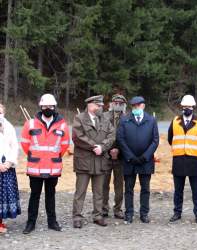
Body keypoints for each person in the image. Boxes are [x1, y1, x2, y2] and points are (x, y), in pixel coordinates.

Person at [21, 94, 70, 234]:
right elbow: (25, 144)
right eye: (45, 106)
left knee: (51, 195)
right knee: (34, 195)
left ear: (54, 107)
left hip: (53, 168)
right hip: (35, 168)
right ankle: (30, 223)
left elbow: (64, 145)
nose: (47, 108)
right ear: (41, 107)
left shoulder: (62, 124)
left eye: (50, 106)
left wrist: (52, 157)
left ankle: (52, 222)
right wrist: (37, 156)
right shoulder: (30, 123)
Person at [72, 95, 115, 228]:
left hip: (100, 160)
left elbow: (112, 135)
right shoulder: (79, 118)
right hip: (84, 161)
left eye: (101, 106)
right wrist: (93, 146)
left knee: (99, 191)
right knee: (80, 192)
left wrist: (102, 147)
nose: (100, 108)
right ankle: (77, 217)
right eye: (98, 105)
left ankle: (98, 215)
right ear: (90, 105)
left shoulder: (105, 119)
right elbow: (77, 137)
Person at [117, 96, 159, 224]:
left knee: (145, 188)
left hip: (145, 161)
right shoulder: (125, 120)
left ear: (143, 106)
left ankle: (144, 213)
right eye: (133, 106)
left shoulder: (151, 120)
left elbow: (155, 140)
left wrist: (145, 156)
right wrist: (129, 156)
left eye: (138, 106)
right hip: (129, 161)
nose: (136, 108)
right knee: (128, 189)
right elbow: (121, 139)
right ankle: (129, 213)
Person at [168, 95, 197, 223]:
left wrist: (194, 149)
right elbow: (170, 139)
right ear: (182, 107)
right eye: (185, 107)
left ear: (193, 107)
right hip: (179, 160)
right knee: (178, 190)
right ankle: (177, 213)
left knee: (196, 190)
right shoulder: (175, 121)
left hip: (194, 161)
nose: (187, 109)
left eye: (189, 107)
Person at [102, 94, 127, 219]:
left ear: (124, 104)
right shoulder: (103, 116)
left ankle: (118, 209)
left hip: (121, 157)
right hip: (105, 156)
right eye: (115, 102)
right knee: (103, 184)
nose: (117, 104)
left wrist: (119, 151)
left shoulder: (127, 118)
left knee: (119, 185)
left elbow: (129, 138)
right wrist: (108, 150)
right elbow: (101, 135)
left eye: (120, 103)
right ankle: (103, 208)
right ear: (111, 103)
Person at [0, 103, 21, 233]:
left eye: (0, 112)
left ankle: (1, 222)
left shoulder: (9, 126)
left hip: (7, 166)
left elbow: (15, 146)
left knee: (4, 196)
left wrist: (9, 162)